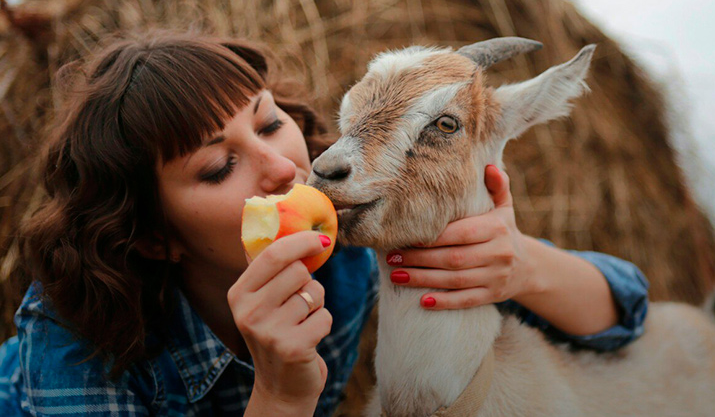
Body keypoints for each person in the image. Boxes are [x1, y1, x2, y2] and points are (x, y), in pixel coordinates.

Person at [0, 30, 648, 416]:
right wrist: (281, 399)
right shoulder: (75, 351)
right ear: (152, 235)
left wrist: (520, 264)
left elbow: (624, 313)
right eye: (218, 167)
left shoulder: (352, 249)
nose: (285, 169)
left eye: (268, 121)